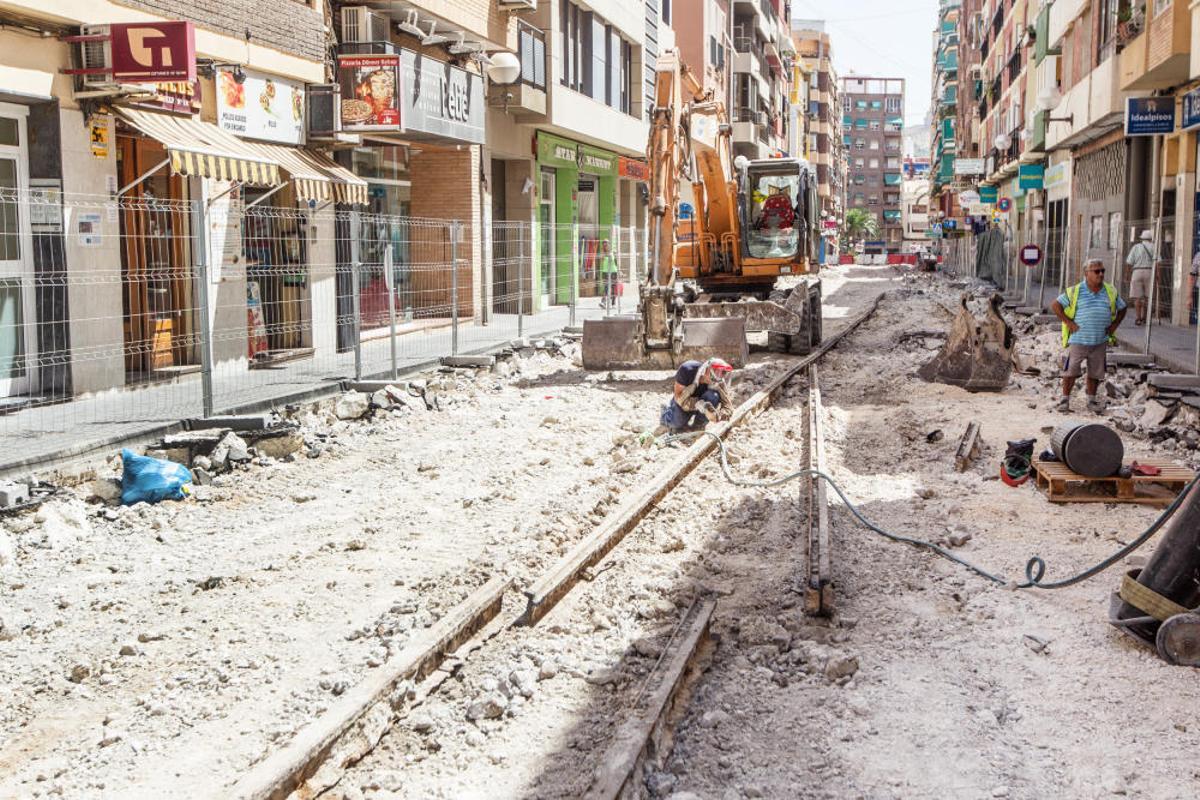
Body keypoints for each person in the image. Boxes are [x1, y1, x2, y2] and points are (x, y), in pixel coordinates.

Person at [1050, 258, 1128, 414]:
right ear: (1087, 273)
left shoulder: (1110, 291)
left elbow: (1123, 308)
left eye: (1102, 271)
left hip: (1100, 340)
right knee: (1071, 370)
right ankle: (1065, 400)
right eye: (1096, 271)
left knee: (1095, 372)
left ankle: (1091, 401)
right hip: (1079, 339)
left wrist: (1113, 326)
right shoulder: (1075, 291)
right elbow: (1055, 305)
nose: (1100, 274)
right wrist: (1068, 322)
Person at [659, 358, 735, 433]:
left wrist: (719, 416)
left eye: (723, 372)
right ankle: (665, 413)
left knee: (713, 396)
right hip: (683, 402)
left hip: (701, 404)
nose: (719, 375)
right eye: (716, 371)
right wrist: (699, 405)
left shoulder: (720, 381)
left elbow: (728, 406)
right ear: (707, 369)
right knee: (677, 424)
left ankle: (698, 426)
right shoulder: (687, 369)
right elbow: (678, 397)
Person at [1126, 230, 1155, 325]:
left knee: (1137, 297)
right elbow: (1158, 263)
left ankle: (1138, 318)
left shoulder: (1136, 247)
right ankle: (1145, 318)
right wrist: (1158, 275)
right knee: (1147, 297)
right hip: (1149, 271)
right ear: (1151, 238)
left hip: (1137, 271)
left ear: (1141, 238)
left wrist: (1127, 274)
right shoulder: (1154, 247)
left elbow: (1129, 262)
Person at [598, 239, 618, 309]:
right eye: (604, 244)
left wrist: (619, 270)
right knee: (606, 287)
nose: (605, 246)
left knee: (613, 287)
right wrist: (603, 254)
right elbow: (601, 260)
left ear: (609, 244)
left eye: (606, 244)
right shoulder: (602, 253)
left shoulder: (613, 252)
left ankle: (613, 303)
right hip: (605, 272)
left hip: (613, 271)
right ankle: (603, 302)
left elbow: (616, 262)